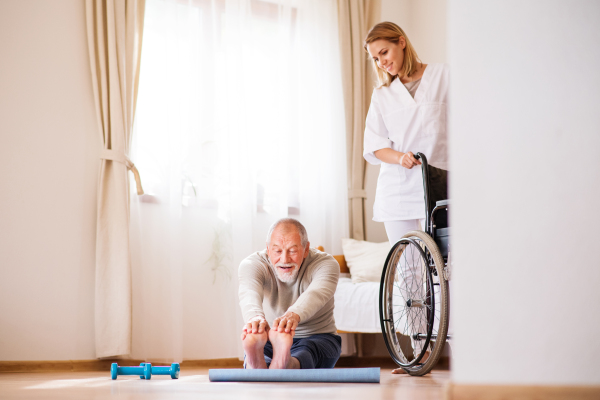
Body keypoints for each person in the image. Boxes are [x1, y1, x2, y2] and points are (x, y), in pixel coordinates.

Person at [363, 22, 449, 373]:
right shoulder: (383, 96)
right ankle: (418, 354)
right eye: (375, 58)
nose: (381, 62)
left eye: (384, 52)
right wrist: (399, 157)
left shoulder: (444, 77)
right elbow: (373, 146)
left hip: (439, 186)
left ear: (401, 42)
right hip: (399, 190)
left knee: (443, 270)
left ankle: (456, 344)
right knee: (410, 273)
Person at [238, 218, 342, 369]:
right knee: (264, 348)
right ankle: (261, 361)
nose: (284, 259)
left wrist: (293, 314)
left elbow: (316, 293)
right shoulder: (252, 264)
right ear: (268, 249)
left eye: (292, 251)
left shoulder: (326, 264)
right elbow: (249, 292)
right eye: (277, 251)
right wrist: (255, 318)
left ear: (306, 249)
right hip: (271, 338)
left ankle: (284, 362)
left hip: (317, 337)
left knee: (308, 351)